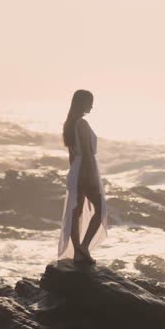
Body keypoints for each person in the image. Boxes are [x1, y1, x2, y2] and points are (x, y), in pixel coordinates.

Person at [57, 89, 107, 263]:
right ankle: (84, 247)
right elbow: (86, 153)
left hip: (75, 170)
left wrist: (74, 174)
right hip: (85, 170)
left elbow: (72, 156)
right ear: (83, 103)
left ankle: (78, 250)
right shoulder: (82, 124)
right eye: (90, 102)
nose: (92, 106)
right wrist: (90, 177)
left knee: (75, 213)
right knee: (100, 208)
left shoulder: (69, 123)